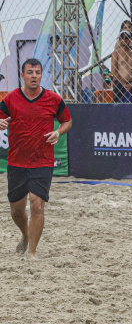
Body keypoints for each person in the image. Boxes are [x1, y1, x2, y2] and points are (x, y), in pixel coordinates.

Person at [0, 59, 72, 257]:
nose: (34, 76)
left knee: (37, 204)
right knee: (16, 209)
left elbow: (67, 121)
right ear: (22, 76)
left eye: (37, 72)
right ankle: (25, 234)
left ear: (42, 75)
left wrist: (58, 132)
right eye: (30, 72)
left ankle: (31, 253)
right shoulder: (10, 99)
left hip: (42, 160)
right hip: (16, 161)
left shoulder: (53, 99)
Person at [110, 30, 132, 102]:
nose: (124, 39)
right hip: (119, 83)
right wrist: (123, 83)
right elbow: (114, 70)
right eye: (122, 37)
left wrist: (131, 84)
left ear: (130, 39)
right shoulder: (116, 53)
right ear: (119, 40)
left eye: (126, 37)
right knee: (117, 105)